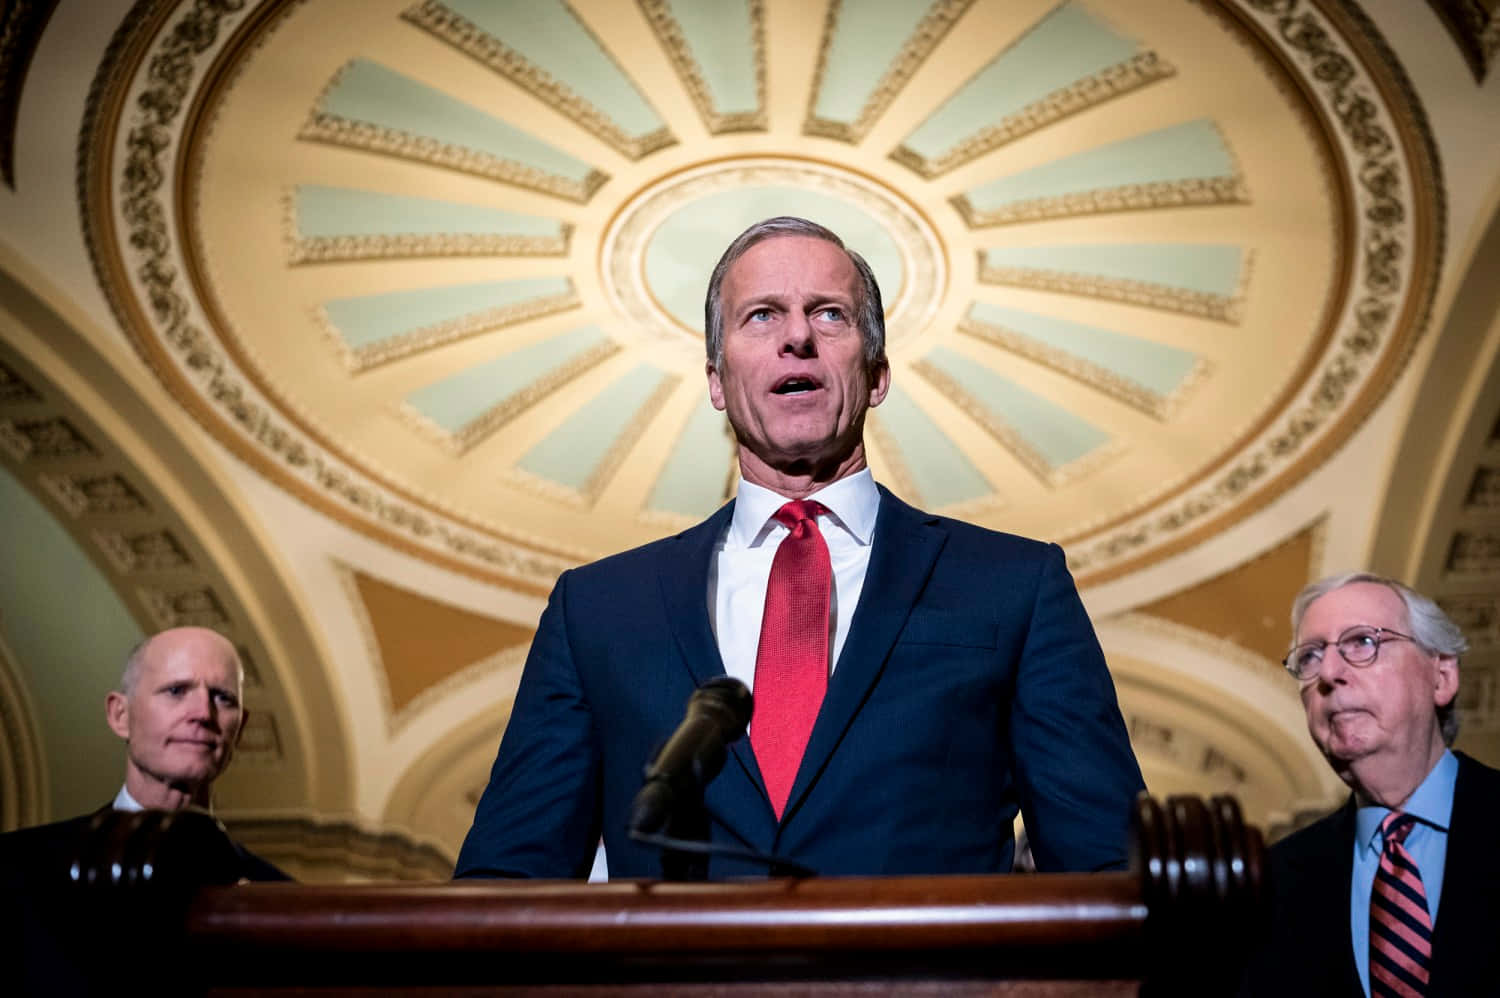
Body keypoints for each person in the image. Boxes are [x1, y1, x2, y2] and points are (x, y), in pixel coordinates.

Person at [456, 216, 1144, 880]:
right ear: (718, 383)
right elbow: (506, 882)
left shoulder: (1015, 585)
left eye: (829, 315)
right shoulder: (599, 610)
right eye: (761, 315)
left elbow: (1107, 866)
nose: (796, 337)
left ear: (876, 376)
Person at [1241, 573, 1500, 996]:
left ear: (1442, 676)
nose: (1328, 672)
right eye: (1309, 657)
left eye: (1362, 642)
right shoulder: (1269, 887)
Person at [0, 625, 287, 881]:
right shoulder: (15, 868)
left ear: (240, 728)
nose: (202, 713)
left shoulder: (275, 896)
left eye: (222, 698)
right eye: (176, 690)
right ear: (120, 715)